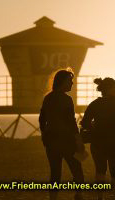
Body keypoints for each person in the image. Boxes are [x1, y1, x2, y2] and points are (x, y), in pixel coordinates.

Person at [80, 77, 115, 200]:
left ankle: (100, 197)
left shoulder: (95, 104)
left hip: (98, 142)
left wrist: (94, 128)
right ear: (108, 89)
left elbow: (84, 123)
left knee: (100, 170)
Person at [39, 69, 85, 200]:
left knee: (55, 172)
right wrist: (79, 140)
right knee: (77, 169)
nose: (72, 84)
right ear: (63, 82)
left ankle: (53, 198)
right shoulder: (67, 99)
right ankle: (79, 195)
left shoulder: (48, 98)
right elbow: (71, 122)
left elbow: (42, 119)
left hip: (51, 141)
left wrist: (44, 135)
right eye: (70, 81)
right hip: (66, 140)